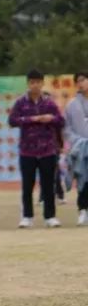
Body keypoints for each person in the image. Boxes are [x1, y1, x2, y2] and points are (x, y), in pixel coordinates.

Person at [8, 69, 64, 228]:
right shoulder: (21, 103)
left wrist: (51, 118)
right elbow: (12, 120)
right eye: (32, 82)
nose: (35, 85)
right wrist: (32, 119)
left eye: (38, 82)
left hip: (48, 150)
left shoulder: (49, 103)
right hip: (27, 151)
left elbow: (61, 120)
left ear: (42, 83)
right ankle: (27, 216)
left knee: (48, 185)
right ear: (28, 84)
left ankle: (50, 216)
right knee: (27, 185)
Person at [64, 71, 88, 226]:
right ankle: (83, 210)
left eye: (84, 80)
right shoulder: (71, 105)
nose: (81, 83)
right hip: (81, 147)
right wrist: (76, 141)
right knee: (82, 179)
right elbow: (66, 128)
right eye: (78, 81)